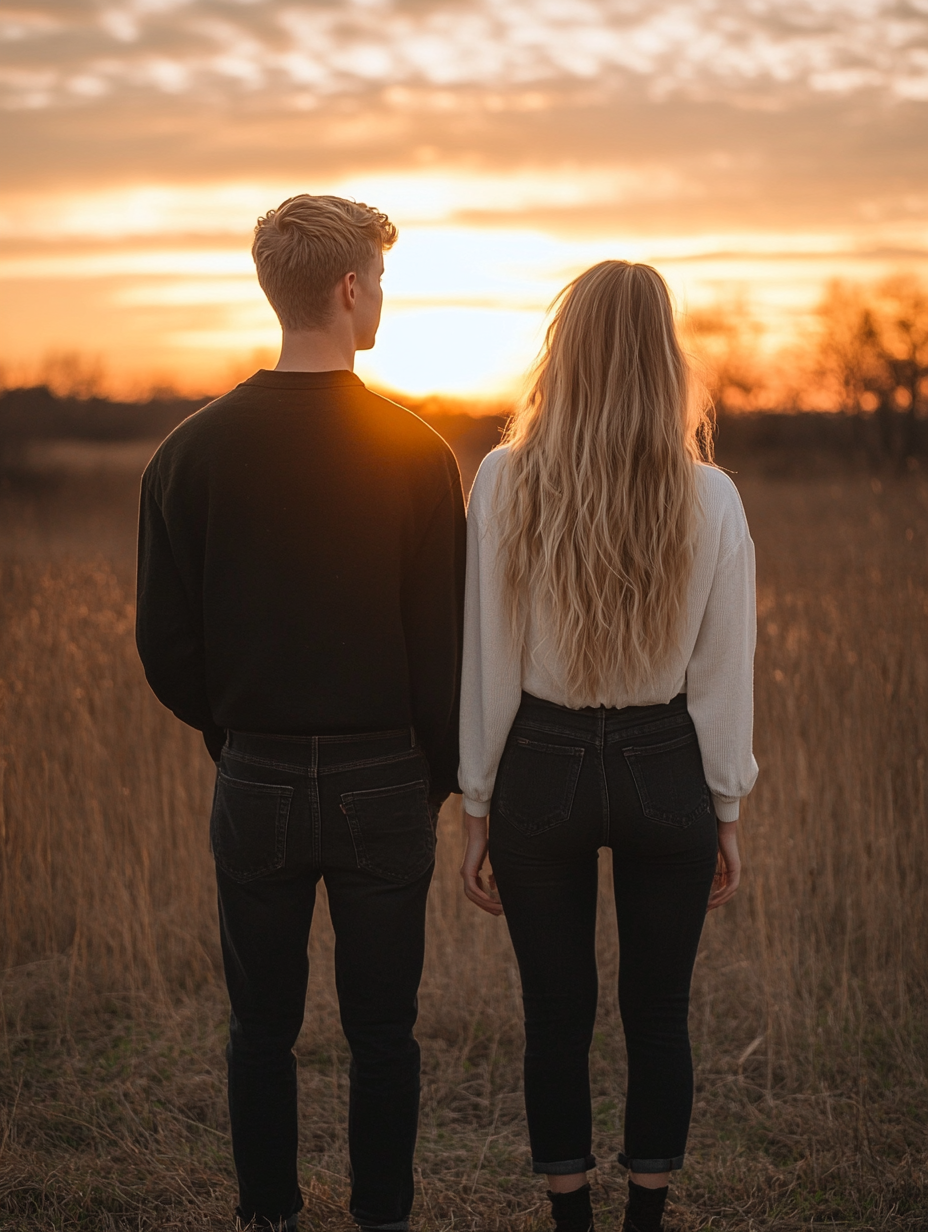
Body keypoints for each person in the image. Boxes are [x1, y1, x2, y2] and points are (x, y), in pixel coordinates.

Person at [136, 194, 465, 1232]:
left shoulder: (187, 454)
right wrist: (432, 778)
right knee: (384, 1033)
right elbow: (445, 649)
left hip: (258, 774)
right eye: (381, 279)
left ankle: (268, 1216)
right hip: (383, 778)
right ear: (349, 289)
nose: (384, 299)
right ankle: (381, 1217)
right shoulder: (416, 454)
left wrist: (238, 737)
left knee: (258, 1029)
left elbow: (166, 644)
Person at [458, 261, 757, 1232]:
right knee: (657, 1012)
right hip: (662, 762)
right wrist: (724, 809)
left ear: (565, 351)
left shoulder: (505, 477)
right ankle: (642, 1220)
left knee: (556, 1013)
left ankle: (572, 1222)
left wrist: (475, 804)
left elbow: (488, 658)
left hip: (539, 763)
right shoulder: (711, 496)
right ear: (665, 359)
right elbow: (721, 674)